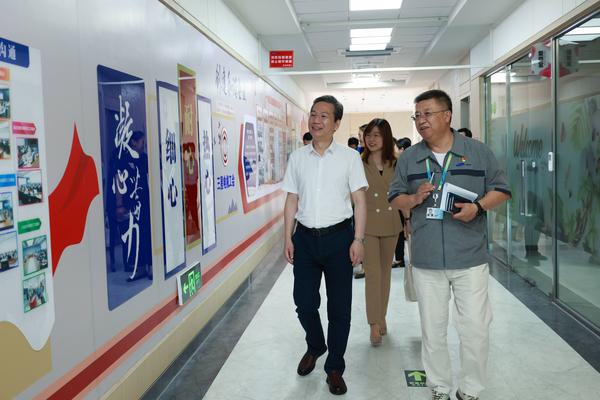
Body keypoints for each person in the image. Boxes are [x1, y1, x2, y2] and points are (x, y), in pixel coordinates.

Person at [389, 89, 511, 400]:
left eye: (427, 113)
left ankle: (470, 389)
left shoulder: (477, 152)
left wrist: (478, 208)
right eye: (417, 115)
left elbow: (501, 190)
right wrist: (413, 199)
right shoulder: (410, 158)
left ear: (447, 115)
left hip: (469, 257)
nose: (421, 120)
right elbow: (395, 197)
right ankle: (439, 386)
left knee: (475, 328)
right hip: (427, 257)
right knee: (433, 329)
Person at [283, 95, 367, 396]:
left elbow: (360, 202)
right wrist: (287, 236)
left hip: (339, 239)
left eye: (324, 116)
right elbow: (291, 199)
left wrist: (358, 239)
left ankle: (334, 367)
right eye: (313, 114)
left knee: (339, 308)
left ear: (336, 123)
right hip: (305, 239)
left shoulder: (349, 158)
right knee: (304, 303)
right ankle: (316, 344)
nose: (316, 120)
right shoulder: (298, 158)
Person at [360, 118, 402, 346]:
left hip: (390, 221)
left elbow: (403, 192)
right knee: (372, 274)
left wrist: (408, 220)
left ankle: (382, 315)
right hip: (366, 224)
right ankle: (373, 324)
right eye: (368, 135)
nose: (371, 139)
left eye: (376, 135)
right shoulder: (358, 162)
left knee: (385, 274)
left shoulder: (397, 163)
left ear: (386, 137)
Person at [392, 137, 412, 268]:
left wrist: (408, 219)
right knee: (401, 231)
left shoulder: (403, 164)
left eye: (396, 149)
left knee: (406, 230)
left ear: (402, 149)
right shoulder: (398, 163)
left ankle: (403, 259)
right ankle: (400, 258)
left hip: (406, 203)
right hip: (403, 203)